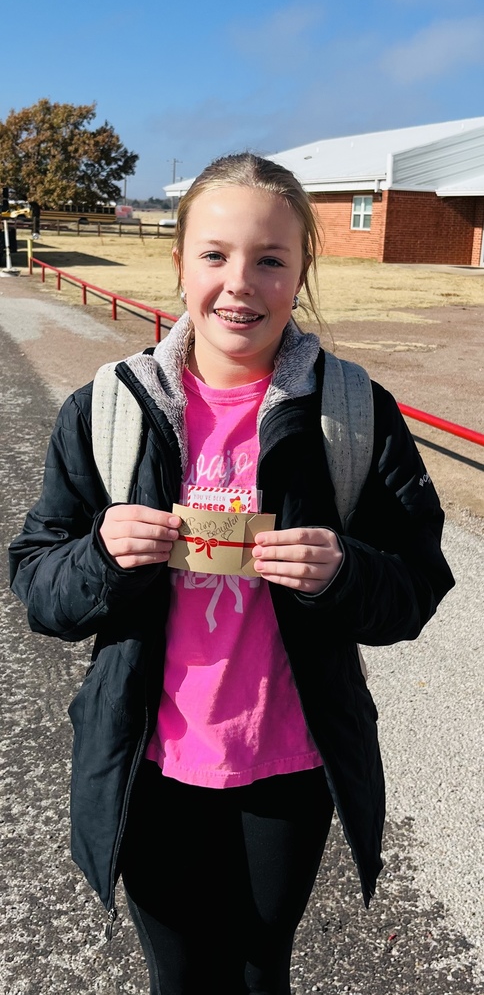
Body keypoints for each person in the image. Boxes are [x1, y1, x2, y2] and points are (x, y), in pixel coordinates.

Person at [9, 152, 454, 995]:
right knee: (179, 978)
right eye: (214, 254)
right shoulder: (108, 410)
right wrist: (101, 557)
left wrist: (342, 571)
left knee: (260, 972)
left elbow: (417, 584)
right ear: (177, 262)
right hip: (151, 763)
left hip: (285, 766)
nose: (239, 283)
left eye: (270, 259)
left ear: (301, 272)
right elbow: (37, 581)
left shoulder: (352, 413)